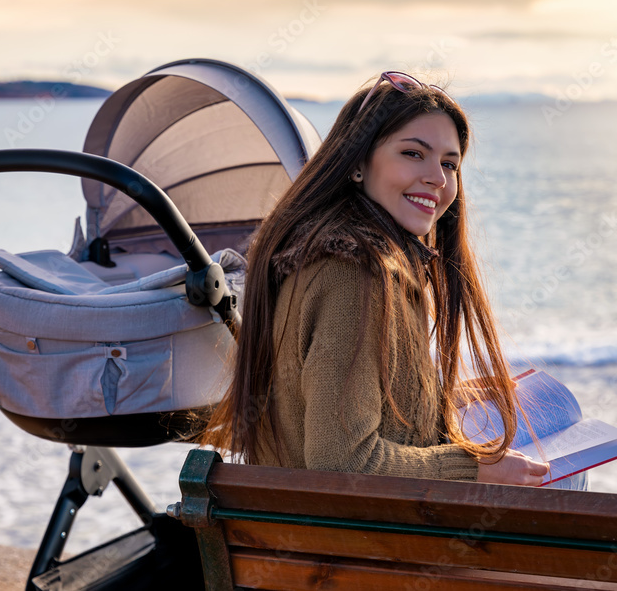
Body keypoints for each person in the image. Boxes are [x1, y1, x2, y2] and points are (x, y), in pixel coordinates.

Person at [202, 71, 550, 486]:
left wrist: (441, 401)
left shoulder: (339, 257)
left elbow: (341, 413)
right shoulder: (354, 275)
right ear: (357, 164)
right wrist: (475, 469)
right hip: (357, 543)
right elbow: (343, 461)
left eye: (449, 164)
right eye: (413, 154)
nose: (437, 179)